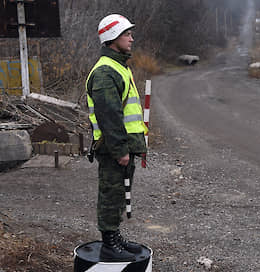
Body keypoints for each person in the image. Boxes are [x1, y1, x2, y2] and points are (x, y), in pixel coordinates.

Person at [86, 14, 148, 262]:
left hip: (122, 146)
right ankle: (109, 244)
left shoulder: (119, 66)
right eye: (126, 34)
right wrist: (121, 149)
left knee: (119, 193)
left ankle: (115, 236)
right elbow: (109, 116)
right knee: (111, 194)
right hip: (113, 148)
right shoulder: (104, 72)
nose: (131, 38)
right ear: (113, 38)